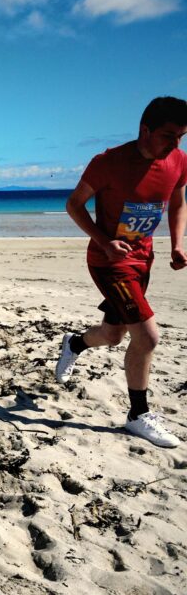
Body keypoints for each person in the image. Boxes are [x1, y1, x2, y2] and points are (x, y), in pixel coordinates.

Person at [56, 96, 187, 448]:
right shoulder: (108, 162)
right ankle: (138, 415)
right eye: (168, 136)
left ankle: (74, 343)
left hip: (143, 260)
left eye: (181, 137)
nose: (175, 144)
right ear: (145, 129)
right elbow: (73, 204)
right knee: (148, 336)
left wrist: (177, 243)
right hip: (110, 263)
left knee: (114, 335)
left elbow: (177, 201)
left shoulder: (178, 161)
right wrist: (103, 241)